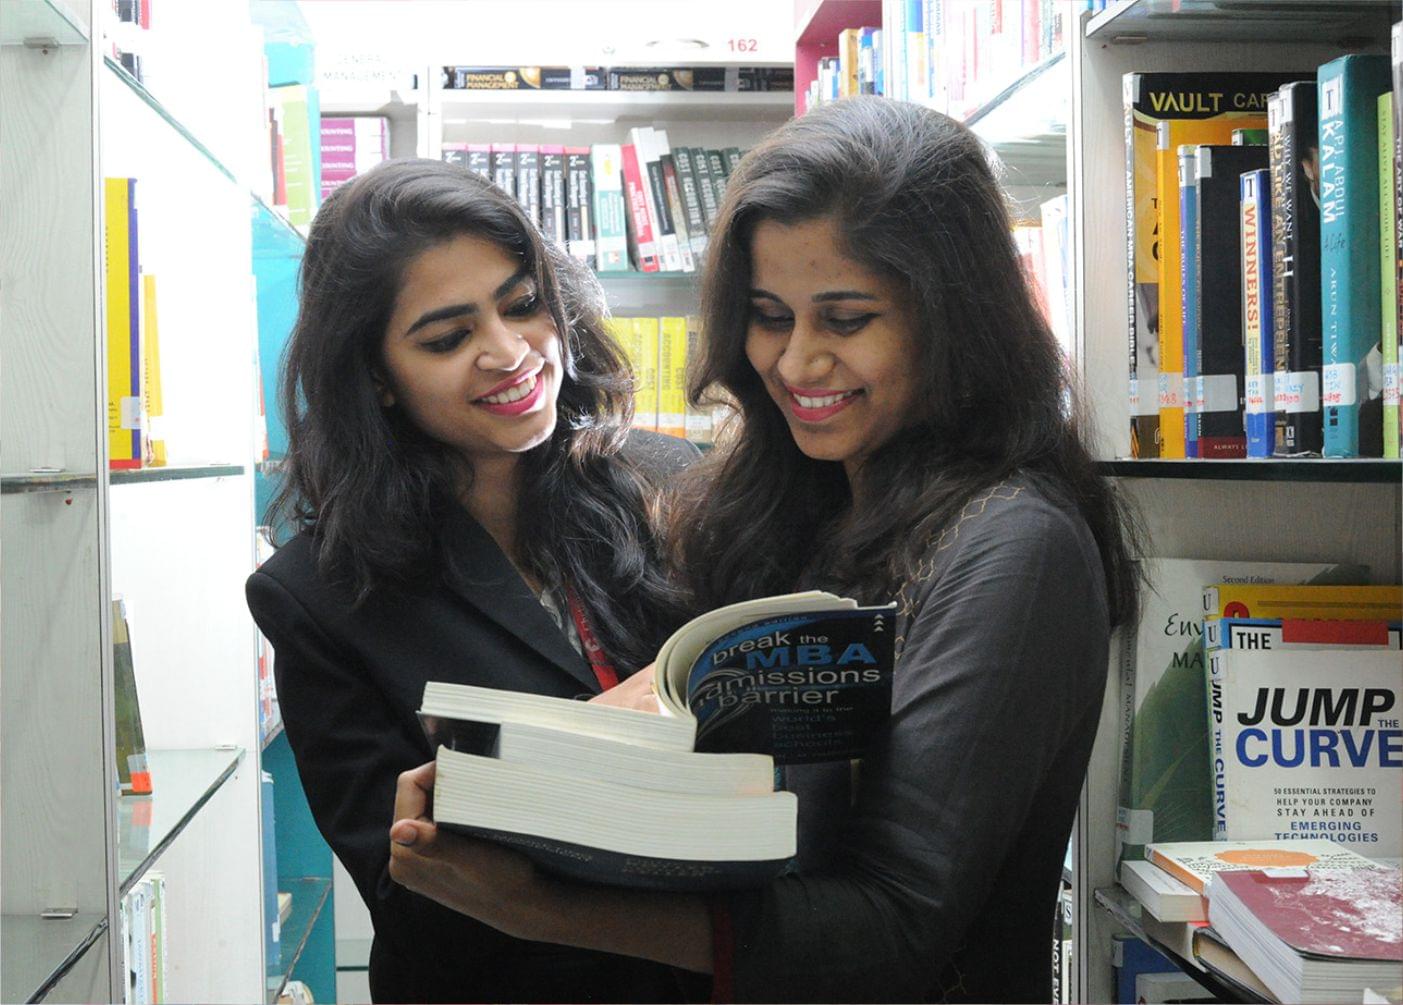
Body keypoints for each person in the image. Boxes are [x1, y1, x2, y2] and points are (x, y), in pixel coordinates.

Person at [385, 97, 1142, 1004]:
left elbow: (895, 928)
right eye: (769, 315)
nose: (796, 363)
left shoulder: (1015, 546)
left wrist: (546, 908)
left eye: (847, 318)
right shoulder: (794, 504)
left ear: (955, 318)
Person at [244, 158, 699, 1003]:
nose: (509, 351)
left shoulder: (674, 479)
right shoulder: (316, 594)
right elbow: (409, 892)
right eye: (447, 338)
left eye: (522, 303)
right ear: (376, 377)